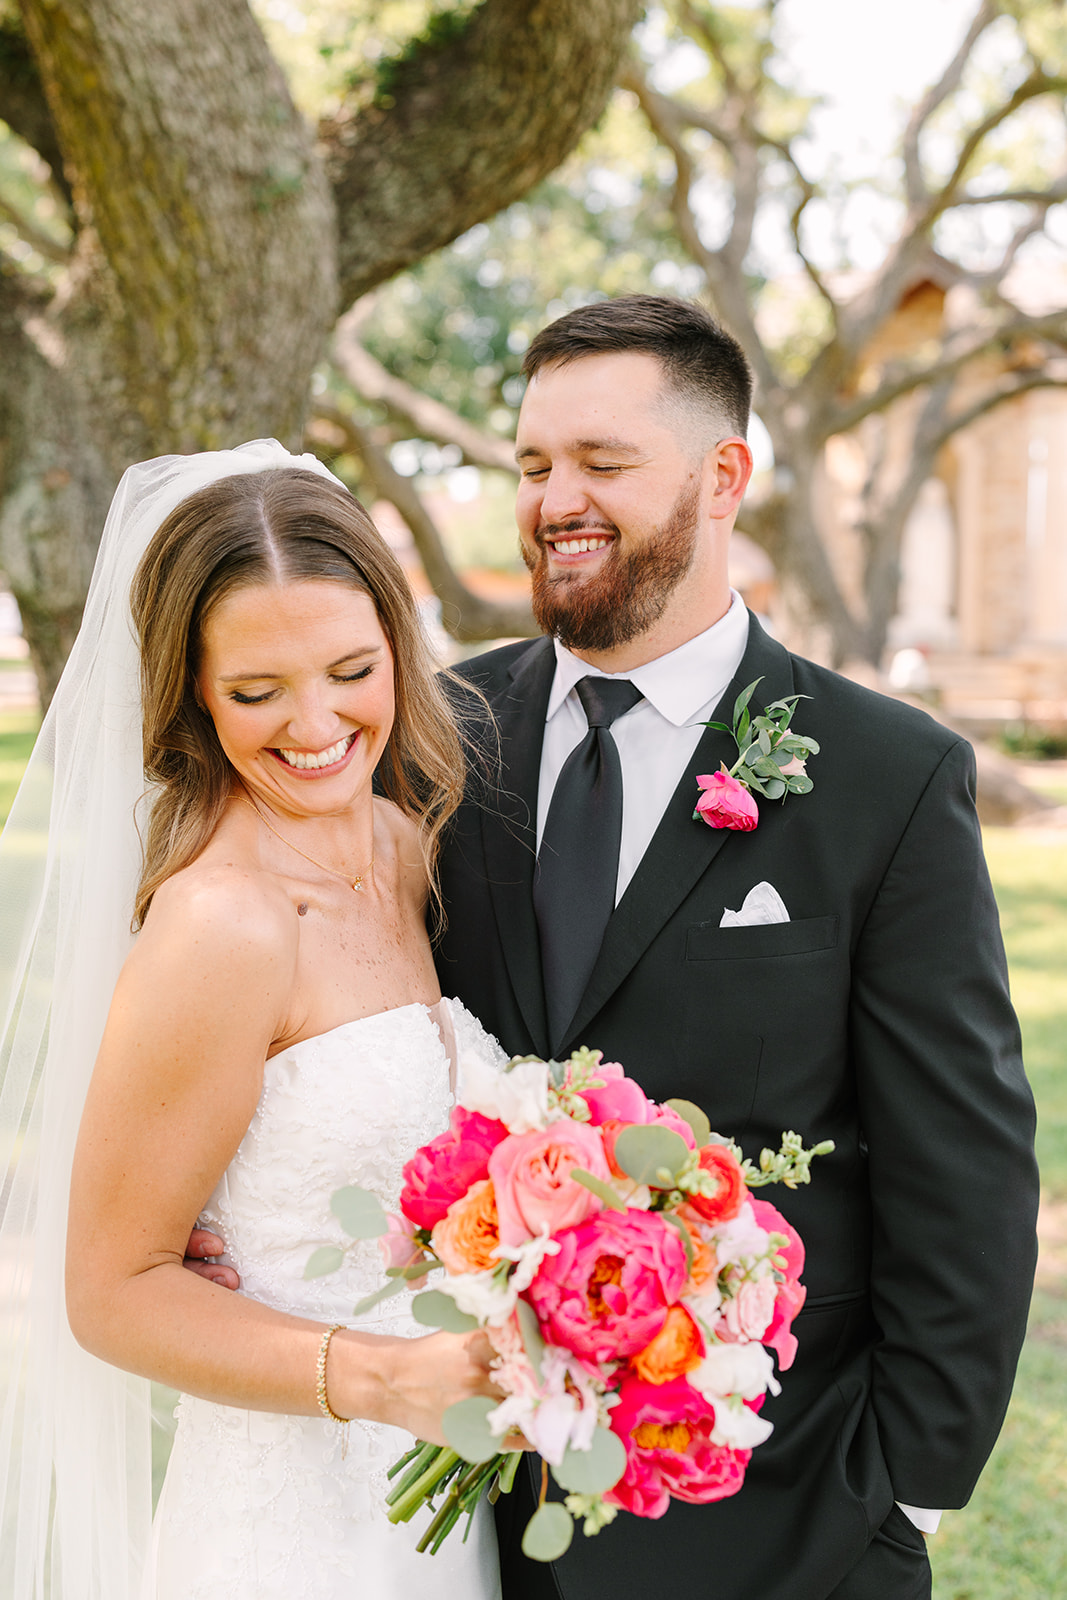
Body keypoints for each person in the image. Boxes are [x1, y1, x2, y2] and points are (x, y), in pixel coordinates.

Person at [426, 296, 1039, 1599]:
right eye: (533, 465)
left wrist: (905, 1491)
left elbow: (961, 1166)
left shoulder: (884, 775)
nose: (552, 500)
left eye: (600, 462)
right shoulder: (438, 738)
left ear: (722, 478)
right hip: (469, 1511)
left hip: (778, 1519)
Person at [0, 440, 511, 1599]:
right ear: (188, 690)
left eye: (348, 669)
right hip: (287, 1530)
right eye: (254, 691)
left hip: (439, 1509)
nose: (316, 723)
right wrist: (385, 1377)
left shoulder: (403, 843)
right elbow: (111, 1291)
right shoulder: (222, 924)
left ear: (396, 644)